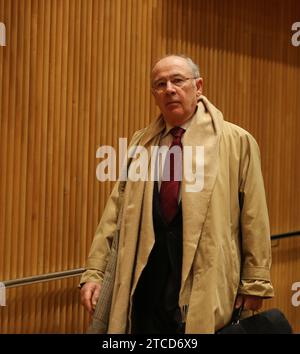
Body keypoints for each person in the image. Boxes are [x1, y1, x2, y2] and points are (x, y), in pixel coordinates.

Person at [80, 54, 274, 334]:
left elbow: (254, 216)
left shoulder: (237, 142)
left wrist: (255, 281)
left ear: (199, 86)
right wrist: (95, 272)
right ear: (154, 95)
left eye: (178, 80)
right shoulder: (142, 143)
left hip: (205, 278)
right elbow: (115, 212)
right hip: (147, 282)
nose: (169, 88)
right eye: (160, 84)